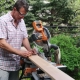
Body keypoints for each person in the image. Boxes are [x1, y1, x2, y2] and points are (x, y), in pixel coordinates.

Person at [0, 0, 37, 80]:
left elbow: (24, 38)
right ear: (14, 9)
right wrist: (19, 52)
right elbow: (2, 43)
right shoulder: (3, 21)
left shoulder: (21, 21)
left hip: (15, 65)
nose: (22, 17)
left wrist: (29, 50)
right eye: (21, 14)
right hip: (3, 65)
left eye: (24, 15)